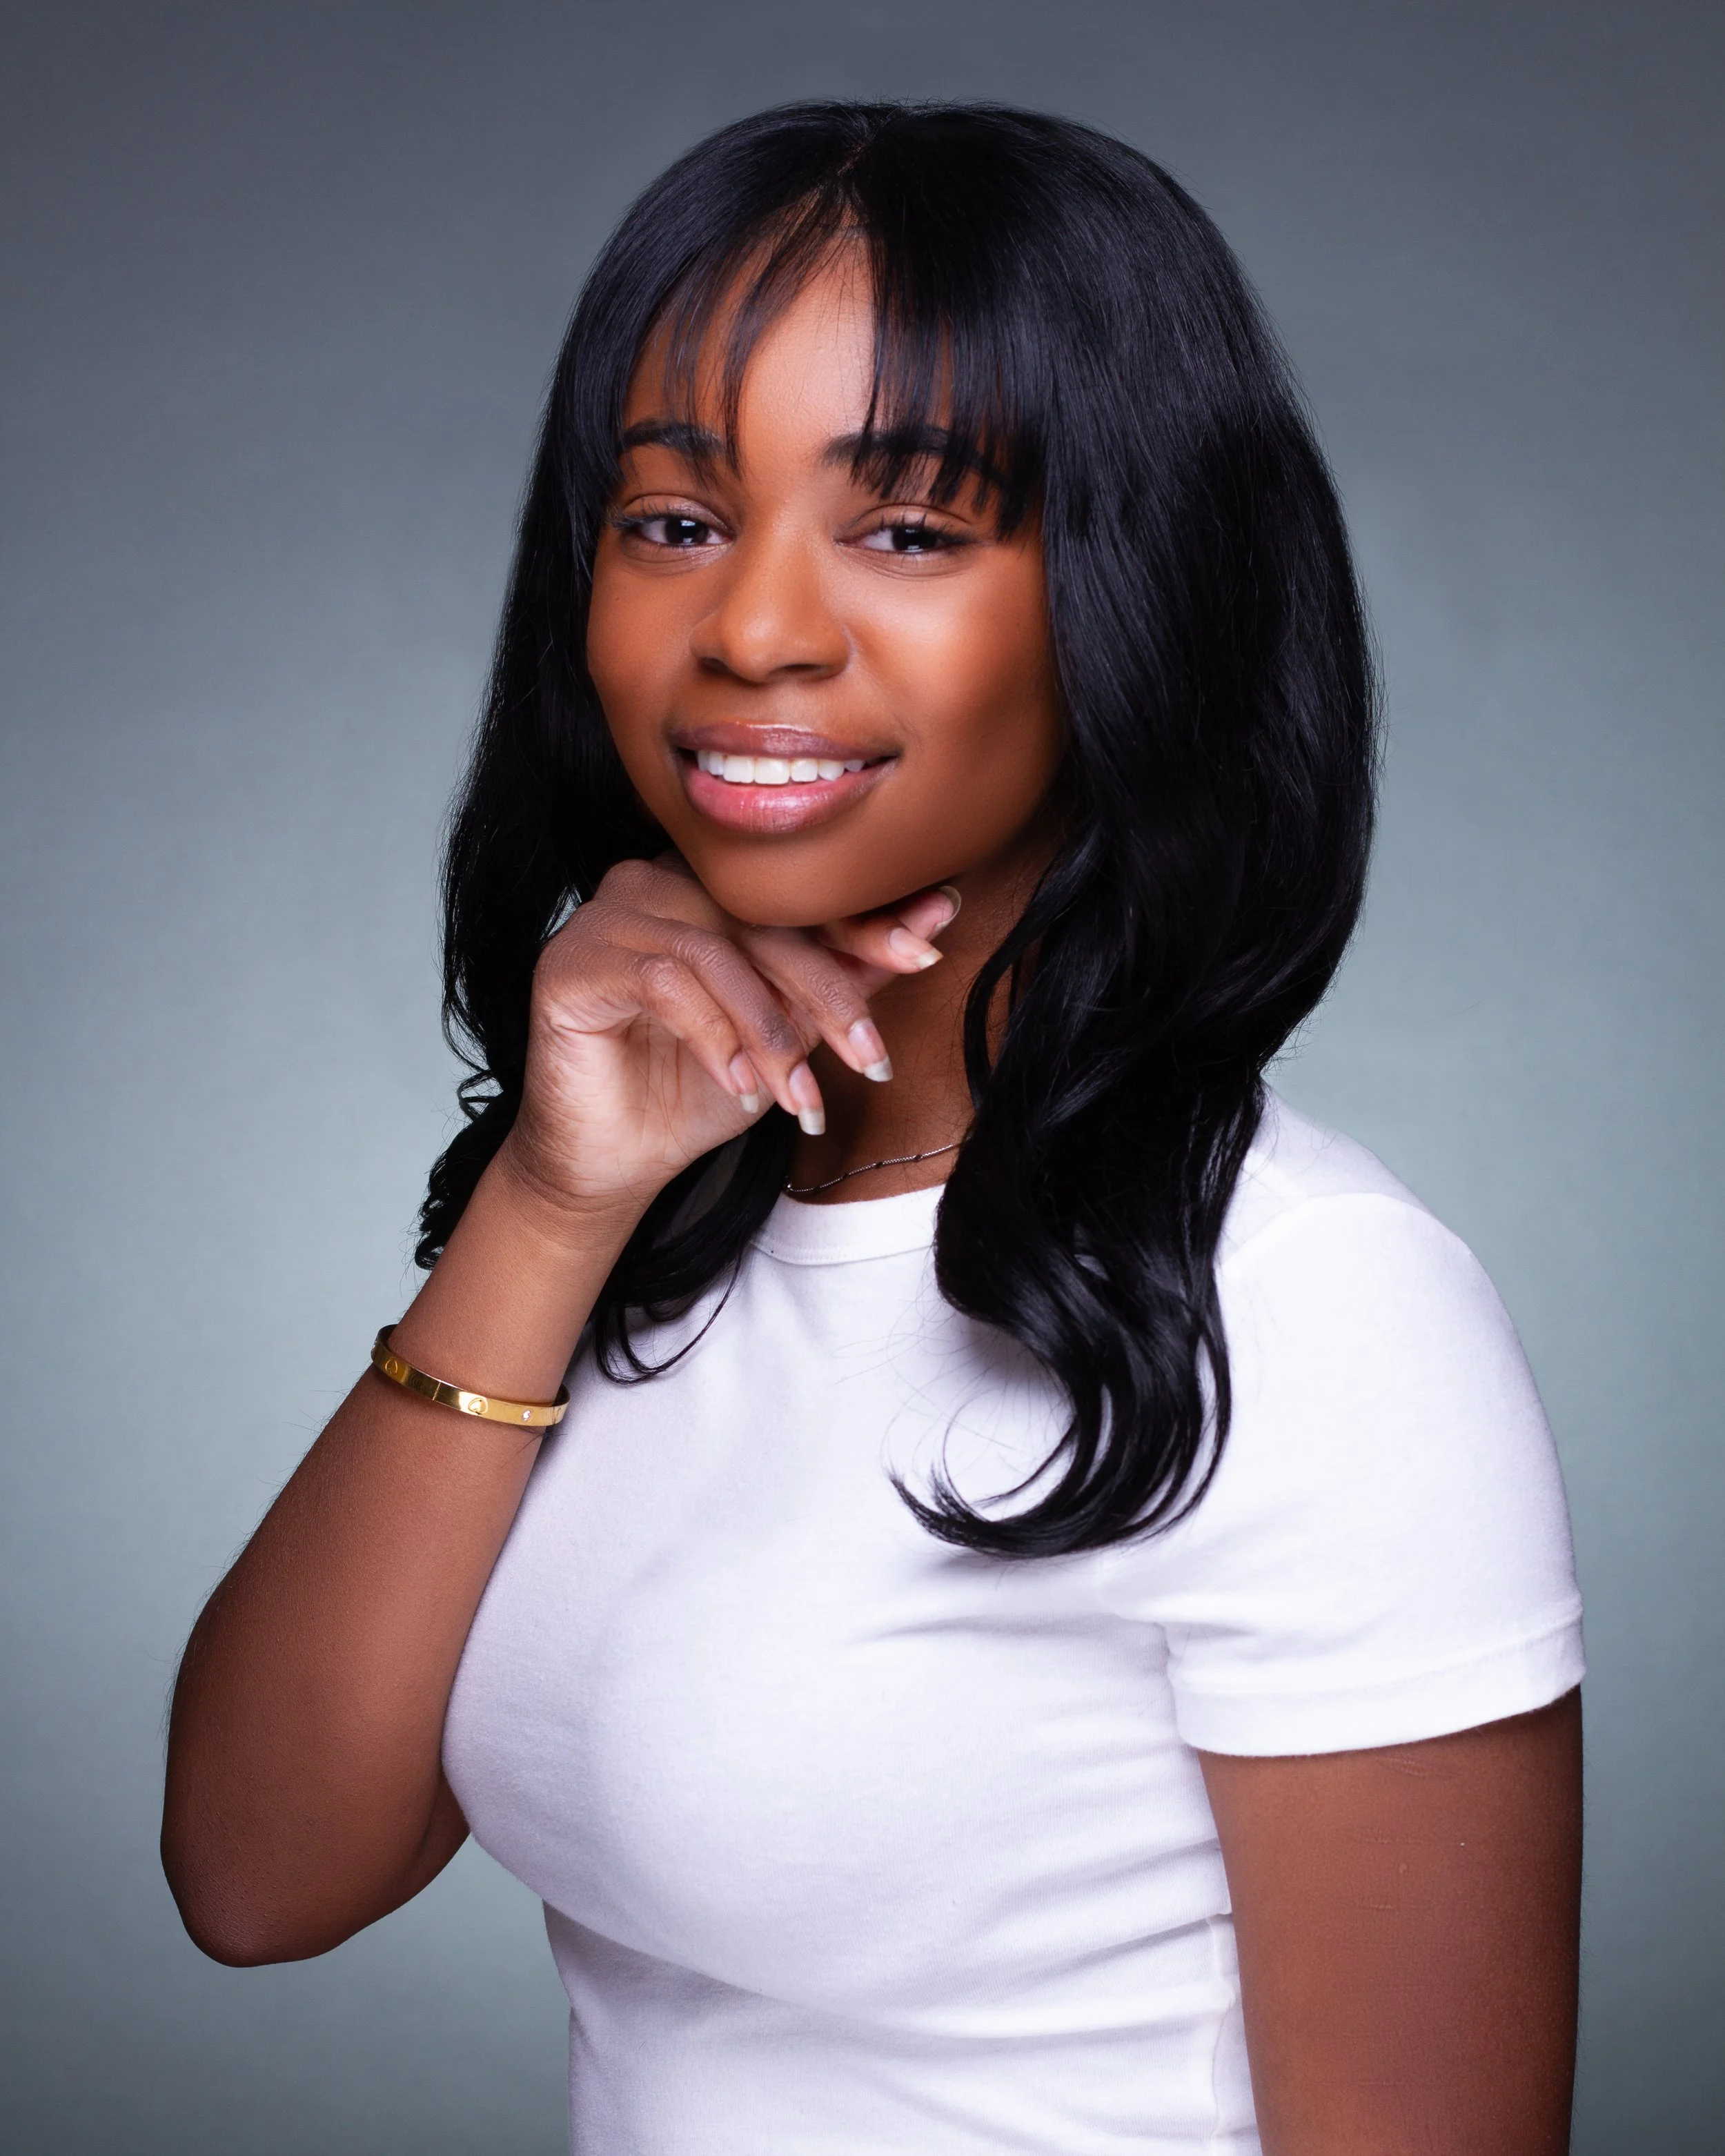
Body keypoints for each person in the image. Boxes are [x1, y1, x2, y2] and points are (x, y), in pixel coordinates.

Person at [161, 102, 1585, 2155]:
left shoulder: (1308, 1308)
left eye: (907, 527)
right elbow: (257, 1874)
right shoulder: (659, 1221)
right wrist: (554, 1201)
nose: (751, 629)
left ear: (1132, 593)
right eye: (671, 520)